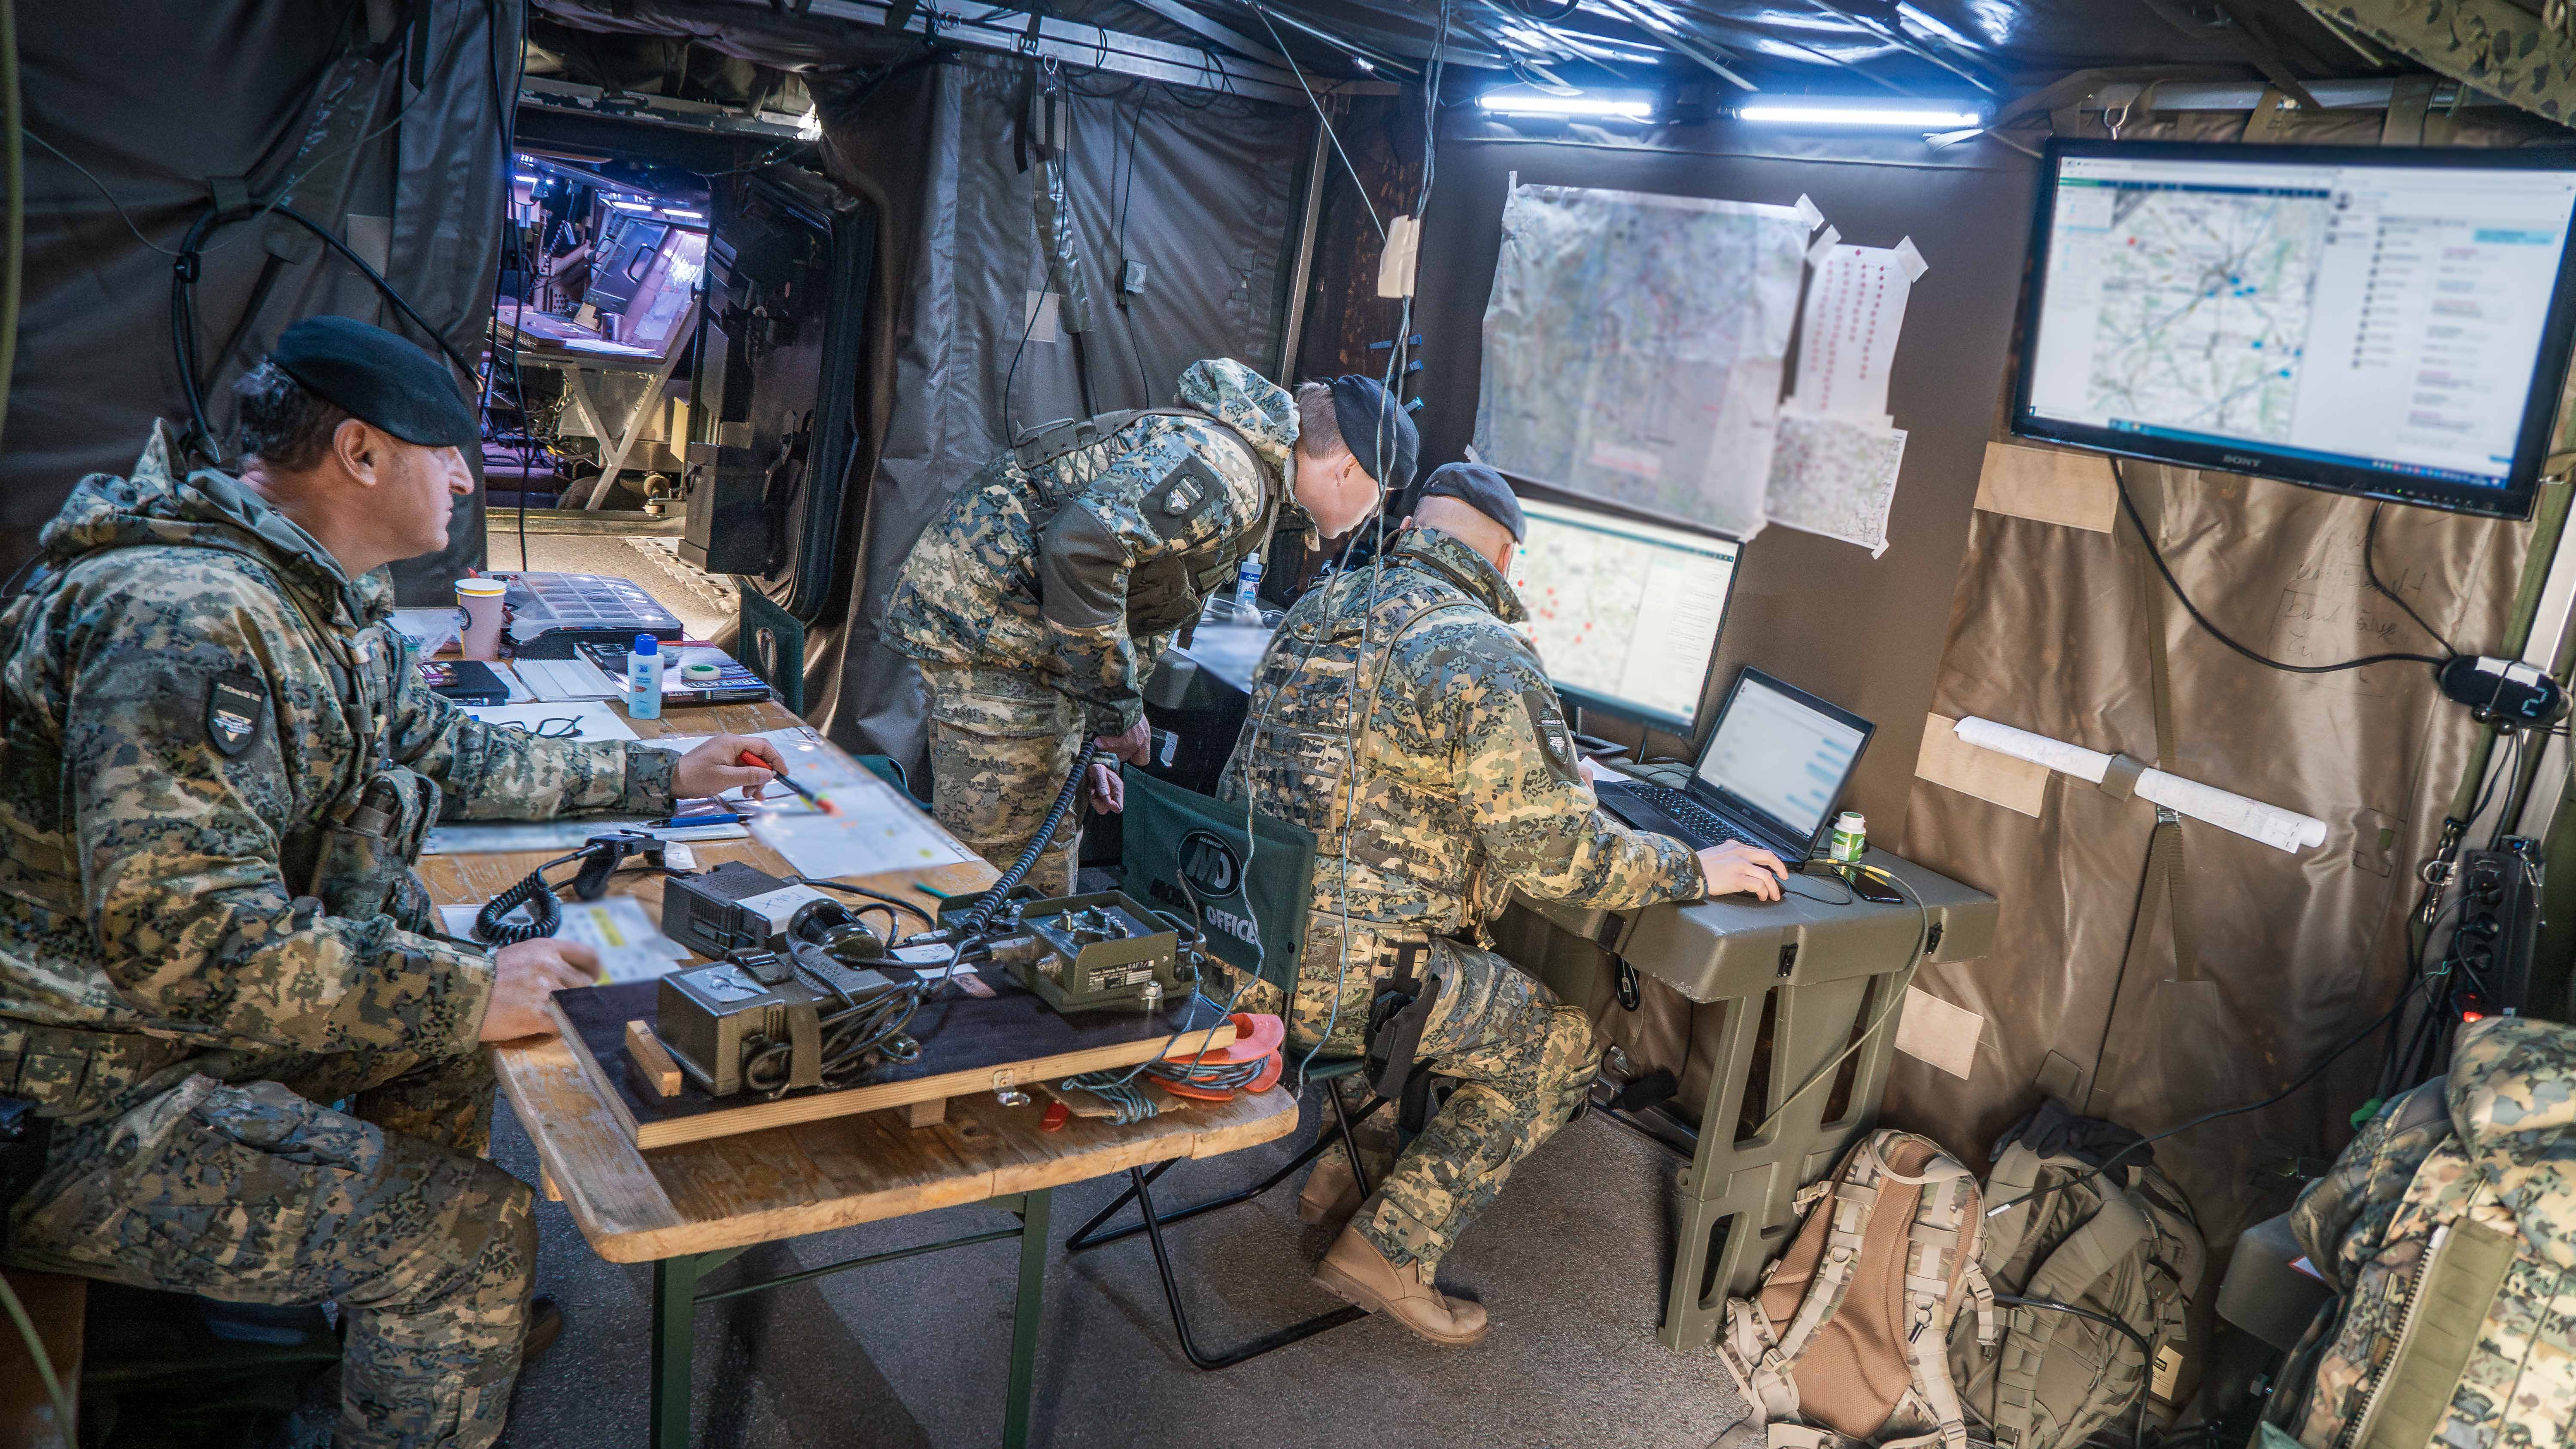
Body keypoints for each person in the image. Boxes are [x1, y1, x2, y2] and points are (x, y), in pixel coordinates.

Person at [0, 316, 787, 1448]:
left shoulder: (310, 599)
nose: (469, 475)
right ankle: (435, 1294)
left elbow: (447, 751)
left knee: (445, 1033)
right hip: (61, 1097)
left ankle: (411, 1347)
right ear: (362, 452)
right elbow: (197, 945)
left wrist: (662, 771)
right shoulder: (191, 620)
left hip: (139, 1032)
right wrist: (474, 985)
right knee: (468, 1228)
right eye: (449, 448)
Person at [1218, 462, 1788, 1346]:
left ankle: (1345, 1170)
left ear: (1415, 529)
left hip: (1243, 947)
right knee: (1562, 1044)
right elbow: (1561, 861)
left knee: (1440, 967)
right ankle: (1389, 1247)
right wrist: (1696, 867)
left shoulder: (1322, 605)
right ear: (1507, 561)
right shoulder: (1481, 649)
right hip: (1348, 982)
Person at [884, 368, 1418, 895]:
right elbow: (1084, 551)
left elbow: (1136, 595)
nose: (1372, 518)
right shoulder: (1230, 470)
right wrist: (1118, 710)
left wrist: (1093, 744)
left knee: (1040, 875)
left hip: (1030, 649)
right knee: (990, 877)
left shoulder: (1255, 476)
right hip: (995, 636)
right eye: (1379, 498)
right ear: (1349, 468)